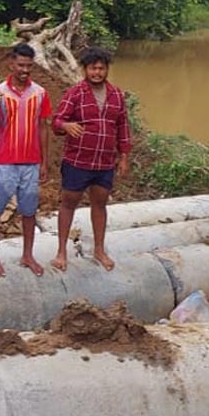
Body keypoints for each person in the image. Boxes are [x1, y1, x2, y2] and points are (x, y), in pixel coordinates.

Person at [50, 47, 131, 272]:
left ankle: (99, 249)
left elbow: (123, 127)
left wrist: (124, 156)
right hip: (78, 161)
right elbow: (56, 121)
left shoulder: (116, 95)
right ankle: (61, 251)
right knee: (69, 203)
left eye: (101, 68)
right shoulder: (75, 93)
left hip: (104, 163)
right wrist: (65, 125)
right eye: (93, 68)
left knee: (100, 204)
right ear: (85, 70)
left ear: (106, 70)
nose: (97, 72)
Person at [0, 43, 51, 276]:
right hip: (4, 162)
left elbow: (43, 127)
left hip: (31, 163)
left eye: (29, 66)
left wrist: (44, 161)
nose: (25, 70)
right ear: (11, 64)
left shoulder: (40, 93)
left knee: (29, 210)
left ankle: (27, 255)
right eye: (20, 65)